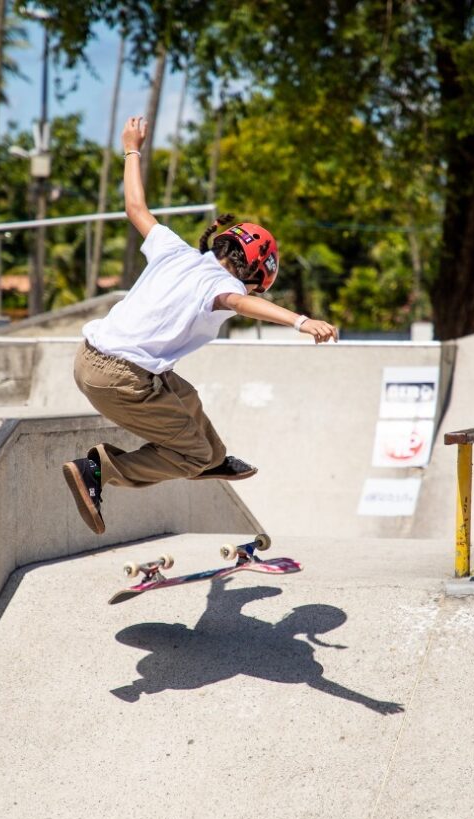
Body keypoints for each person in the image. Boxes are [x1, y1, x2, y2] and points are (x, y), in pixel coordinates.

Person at [62, 115, 337, 534]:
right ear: (258, 275)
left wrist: (131, 148)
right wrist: (301, 320)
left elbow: (135, 207)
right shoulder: (224, 286)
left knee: (183, 394)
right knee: (188, 455)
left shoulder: (175, 249)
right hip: (122, 379)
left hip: (88, 358)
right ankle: (99, 468)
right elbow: (239, 304)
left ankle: (215, 459)